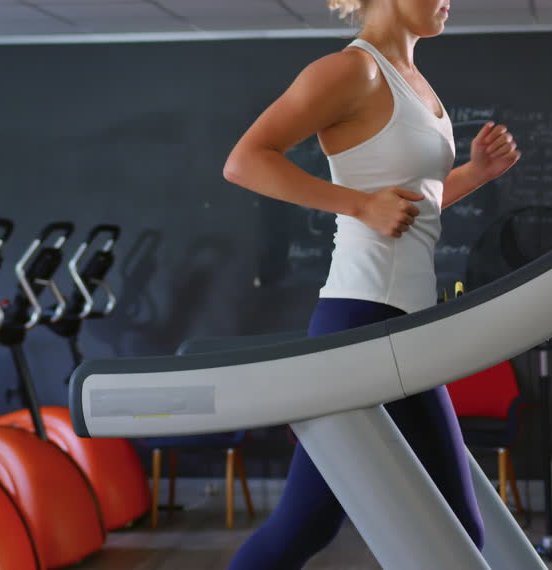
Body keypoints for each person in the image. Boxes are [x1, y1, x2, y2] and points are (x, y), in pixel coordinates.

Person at [222, 0, 520, 567]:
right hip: (364, 322)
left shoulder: (417, 84)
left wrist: (477, 173)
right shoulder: (352, 71)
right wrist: (359, 206)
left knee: (308, 525)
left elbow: (411, 208)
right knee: (455, 528)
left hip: (397, 323)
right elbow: (245, 161)